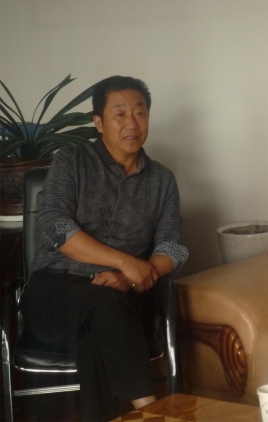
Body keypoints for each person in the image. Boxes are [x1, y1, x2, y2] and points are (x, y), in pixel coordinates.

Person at [20, 76, 189, 421]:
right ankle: (155, 413)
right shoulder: (71, 161)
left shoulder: (162, 180)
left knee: (96, 341)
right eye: (120, 114)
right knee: (106, 307)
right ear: (98, 123)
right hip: (55, 293)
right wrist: (125, 264)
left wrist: (130, 278)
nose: (132, 123)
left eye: (140, 113)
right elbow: (57, 226)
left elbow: (172, 245)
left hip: (122, 297)